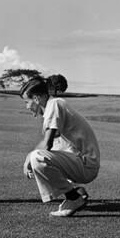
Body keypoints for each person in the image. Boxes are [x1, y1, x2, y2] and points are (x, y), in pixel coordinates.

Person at [20, 77, 100, 217]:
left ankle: (73, 198)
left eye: (27, 102)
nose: (27, 106)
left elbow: (47, 143)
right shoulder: (52, 109)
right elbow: (53, 144)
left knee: (37, 157)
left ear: (37, 99)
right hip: (80, 162)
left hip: (86, 164)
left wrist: (28, 158)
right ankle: (76, 191)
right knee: (41, 156)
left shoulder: (54, 104)